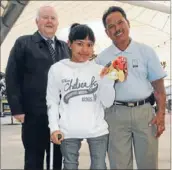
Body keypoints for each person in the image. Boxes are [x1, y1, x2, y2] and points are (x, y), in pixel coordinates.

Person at [95, 6, 167, 169]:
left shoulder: (146, 52)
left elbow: (159, 88)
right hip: (115, 114)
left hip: (145, 114)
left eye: (120, 22)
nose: (117, 28)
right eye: (111, 26)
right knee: (119, 164)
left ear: (128, 24)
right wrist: (110, 77)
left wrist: (161, 114)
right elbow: (98, 92)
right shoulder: (102, 59)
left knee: (148, 163)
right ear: (107, 33)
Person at [5, 6, 70, 170]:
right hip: (34, 115)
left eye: (53, 18)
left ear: (57, 23)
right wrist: (17, 109)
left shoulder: (65, 48)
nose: (49, 21)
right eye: (45, 17)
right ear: (37, 21)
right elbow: (12, 76)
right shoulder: (23, 43)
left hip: (59, 117)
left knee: (57, 158)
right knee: (34, 159)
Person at [46, 23, 116, 170]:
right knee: (70, 166)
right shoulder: (57, 69)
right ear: (69, 44)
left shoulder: (99, 71)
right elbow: (52, 100)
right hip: (68, 130)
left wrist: (108, 81)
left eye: (89, 45)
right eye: (79, 44)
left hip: (97, 130)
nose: (85, 50)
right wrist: (54, 128)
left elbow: (108, 102)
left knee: (99, 166)